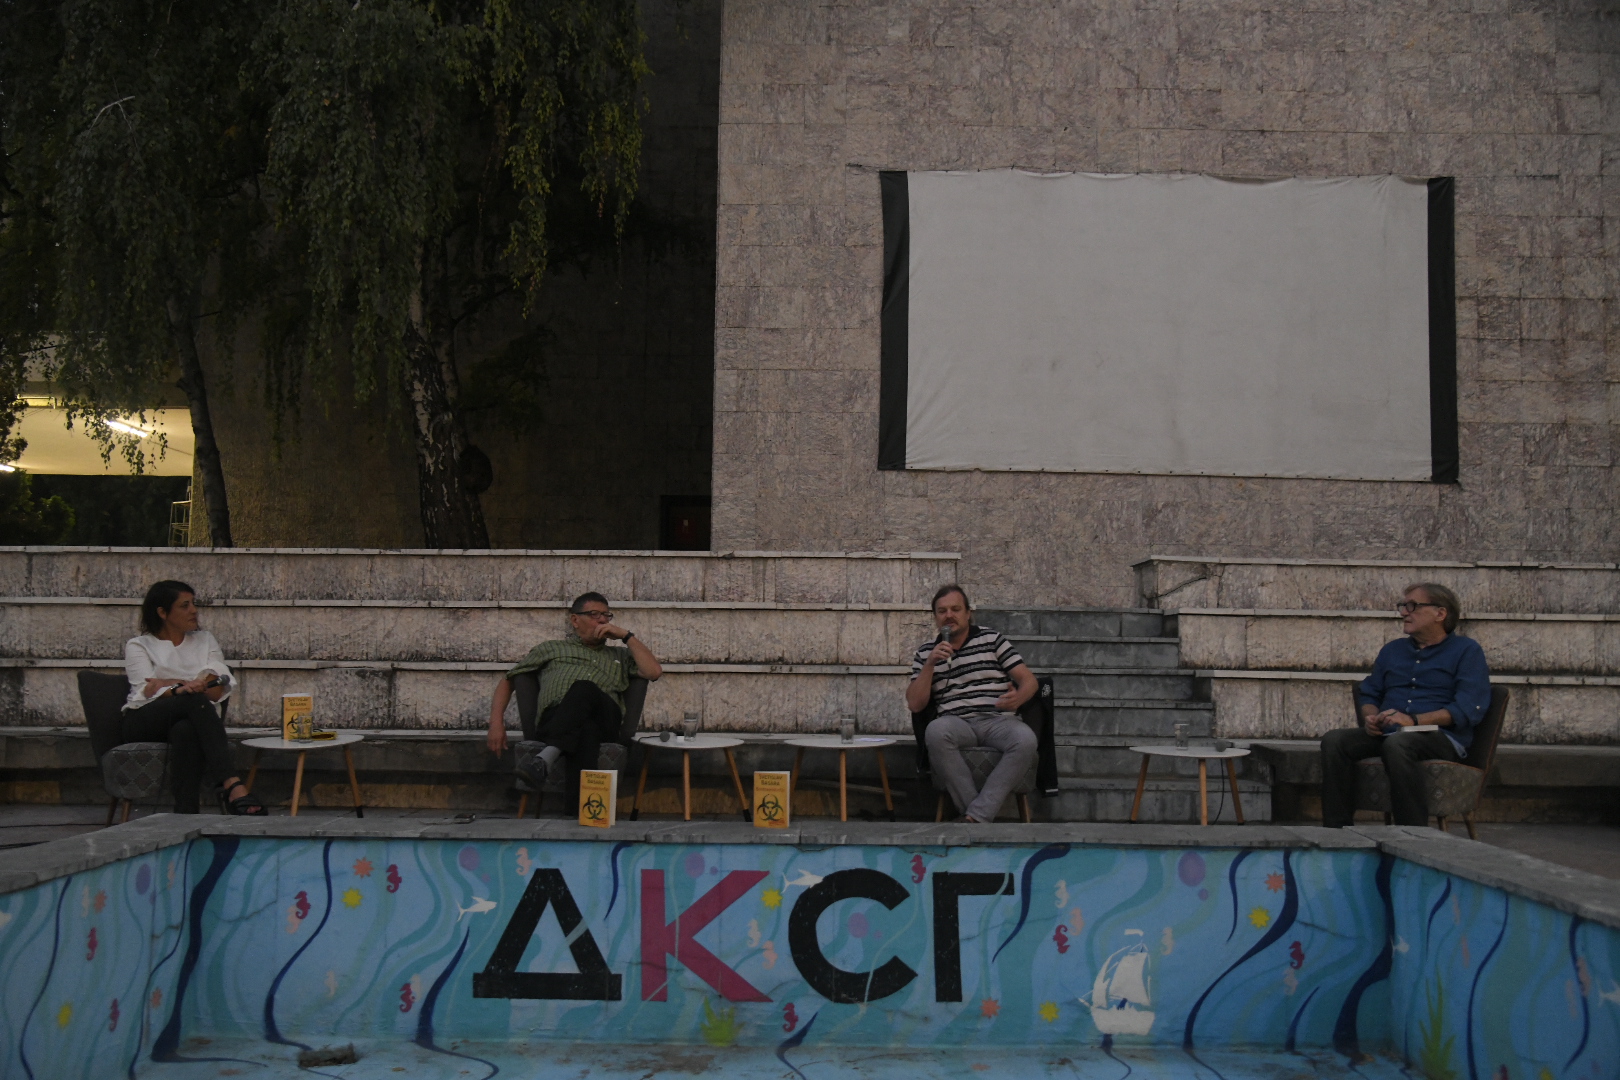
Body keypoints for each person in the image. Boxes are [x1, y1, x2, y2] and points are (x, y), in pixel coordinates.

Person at [1320, 583, 1491, 828]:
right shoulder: (1393, 650)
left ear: (1440, 614)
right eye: (1403, 606)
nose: (1403, 612)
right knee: (1335, 740)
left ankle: (1411, 834)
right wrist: (1371, 717)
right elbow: (1369, 693)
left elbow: (1469, 707)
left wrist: (1414, 721)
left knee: (1399, 743)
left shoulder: (1467, 651)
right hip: (1390, 732)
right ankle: (1337, 830)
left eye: (1412, 606)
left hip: (1439, 736)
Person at [486, 592, 662, 806]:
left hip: (606, 718)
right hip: (556, 719)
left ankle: (544, 759)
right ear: (575, 620)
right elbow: (509, 679)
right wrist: (496, 723)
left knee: (584, 688)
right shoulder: (551, 648)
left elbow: (653, 672)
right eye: (594, 614)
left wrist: (626, 636)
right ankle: (577, 812)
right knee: (585, 730)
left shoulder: (621, 656)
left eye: (607, 615)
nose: (603, 620)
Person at [122, 580, 265, 815]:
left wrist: (170, 684)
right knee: (194, 700)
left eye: (193, 604)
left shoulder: (205, 640)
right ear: (162, 612)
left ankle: (186, 814)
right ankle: (231, 783)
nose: (194, 610)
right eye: (184, 605)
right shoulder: (139, 645)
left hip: (190, 717)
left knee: (186, 729)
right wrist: (186, 686)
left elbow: (217, 688)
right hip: (144, 720)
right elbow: (147, 691)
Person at [907, 584, 1039, 823]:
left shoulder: (992, 639)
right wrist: (929, 665)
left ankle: (974, 817)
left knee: (1026, 739)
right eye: (942, 611)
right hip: (956, 723)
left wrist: (1018, 697)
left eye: (956, 609)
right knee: (936, 731)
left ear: (968, 613)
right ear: (935, 617)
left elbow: (1029, 681)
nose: (949, 615)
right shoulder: (926, 652)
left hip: (997, 719)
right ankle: (978, 815)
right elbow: (915, 704)